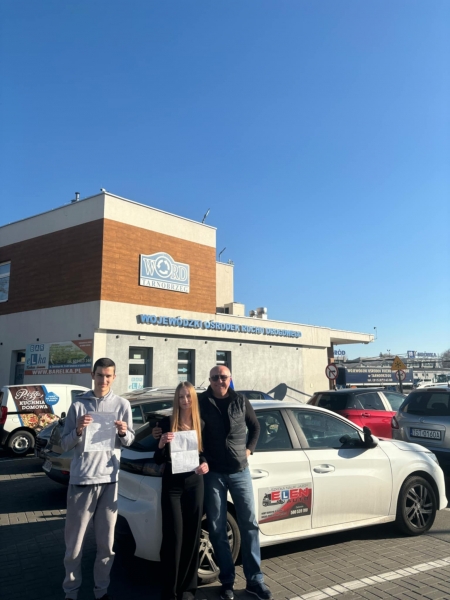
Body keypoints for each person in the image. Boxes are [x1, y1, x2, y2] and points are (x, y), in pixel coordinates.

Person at [61, 357, 135, 600]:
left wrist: (123, 432)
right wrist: (78, 430)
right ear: (92, 375)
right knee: (74, 545)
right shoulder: (78, 406)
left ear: (114, 377)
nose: (104, 380)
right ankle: (71, 591)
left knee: (106, 545)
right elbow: (64, 444)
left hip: (109, 481)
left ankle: (101, 591)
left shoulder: (122, 404)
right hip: (82, 480)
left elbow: (129, 440)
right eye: (100, 375)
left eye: (108, 376)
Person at [199, 366, 272, 600]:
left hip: (240, 471)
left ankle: (255, 580)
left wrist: (249, 450)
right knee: (217, 528)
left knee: (249, 524)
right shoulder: (201, 402)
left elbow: (256, 426)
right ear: (209, 380)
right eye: (215, 377)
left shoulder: (240, 400)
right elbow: (191, 431)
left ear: (230, 379)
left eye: (223, 377)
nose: (219, 381)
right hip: (213, 473)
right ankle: (227, 581)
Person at [154, 382, 209, 600]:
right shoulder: (166, 423)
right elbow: (157, 458)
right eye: (181, 397)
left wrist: (205, 464)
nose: (185, 400)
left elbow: (205, 454)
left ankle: (187, 589)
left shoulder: (200, 423)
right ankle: (169, 590)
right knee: (173, 537)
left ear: (193, 398)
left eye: (188, 396)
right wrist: (161, 443)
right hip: (172, 486)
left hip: (195, 484)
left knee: (192, 536)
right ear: (176, 400)